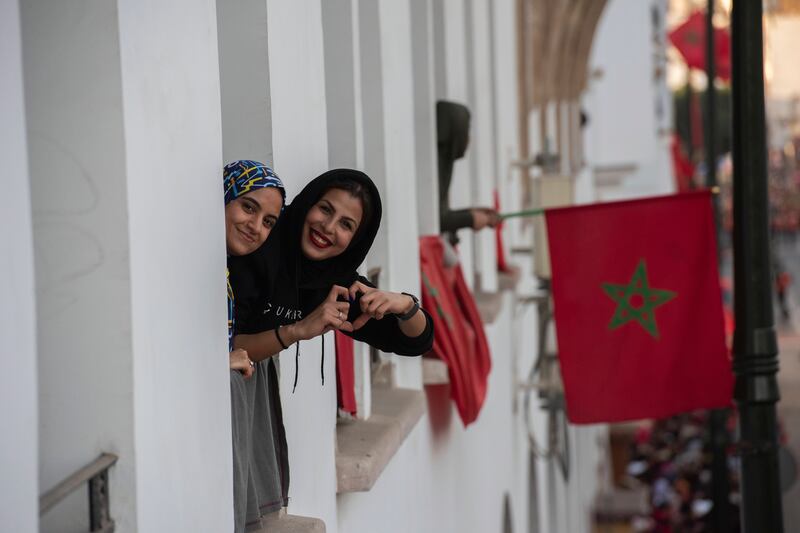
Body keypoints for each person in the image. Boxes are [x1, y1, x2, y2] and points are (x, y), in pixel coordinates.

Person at [227, 168, 434, 520]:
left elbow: (417, 341)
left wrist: (404, 304)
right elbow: (229, 345)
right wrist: (297, 330)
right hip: (225, 398)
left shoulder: (333, 283)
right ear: (307, 204)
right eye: (325, 209)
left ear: (356, 239)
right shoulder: (260, 244)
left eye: (346, 225)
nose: (328, 228)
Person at [222, 160, 286, 533]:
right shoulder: (183, 264)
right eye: (248, 206)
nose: (256, 226)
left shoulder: (232, 275)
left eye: (268, 222)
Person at [436, 100, 500, 244]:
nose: (468, 139)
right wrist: (470, 219)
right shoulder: (435, 166)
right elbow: (433, 220)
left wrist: (472, 213)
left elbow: (439, 214)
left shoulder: (442, 163)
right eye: (466, 129)